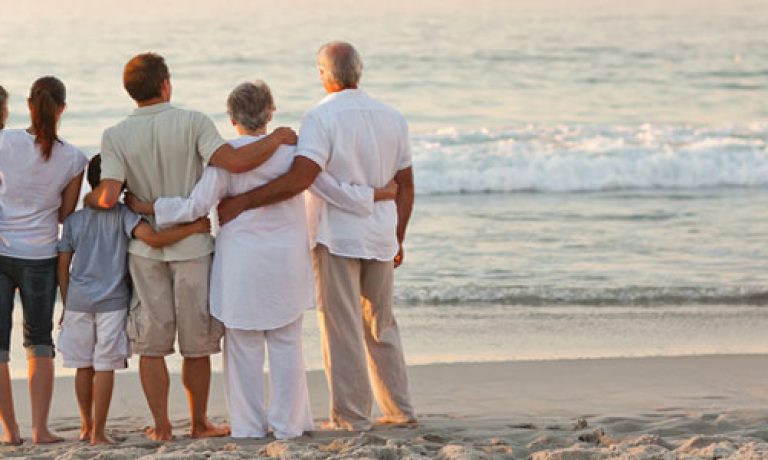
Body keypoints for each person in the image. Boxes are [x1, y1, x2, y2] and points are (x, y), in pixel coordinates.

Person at [126, 80, 397, 438]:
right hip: (285, 261)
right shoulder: (293, 154)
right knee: (287, 346)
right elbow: (330, 190)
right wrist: (377, 194)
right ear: (271, 113)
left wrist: (146, 207)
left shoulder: (224, 160)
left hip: (241, 264)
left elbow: (194, 206)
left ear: (231, 118)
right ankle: (289, 425)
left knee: (243, 349)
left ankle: (249, 426)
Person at [84, 52, 298, 440]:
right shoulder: (194, 121)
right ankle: (199, 423)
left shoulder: (114, 135)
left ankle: (163, 427)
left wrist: (92, 200)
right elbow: (234, 161)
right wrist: (279, 137)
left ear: (130, 91)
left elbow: (110, 195)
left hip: (145, 252)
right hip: (194, 248)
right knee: (196, 343)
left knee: (152, 344)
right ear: (166, 84)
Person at [214, 41, 416, 431]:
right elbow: (406, 185)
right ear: (358, 71)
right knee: (382, 324)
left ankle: (352, 416)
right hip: (380, 234)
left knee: (341, 327)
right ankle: (400, 410)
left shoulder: (320, 118)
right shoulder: (393, 117)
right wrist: (398, 235)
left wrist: (244, 202)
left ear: (324, 74)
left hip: (336, 235)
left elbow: (302, 178)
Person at [57, 155, 212, 445]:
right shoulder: (124, 215)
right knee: (105, 365)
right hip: (112, 303)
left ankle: (86, 426)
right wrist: (193, 228)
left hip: (78, 302)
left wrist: (66, 302)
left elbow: (63, 264)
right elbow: (153, 239)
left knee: (83, 366)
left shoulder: (73, 221)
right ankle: (99, 433)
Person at [0, 76, 88, 444]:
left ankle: (10, 432)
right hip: (41, 255)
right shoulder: (75, 158)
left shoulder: (3, 141)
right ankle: (40, 430)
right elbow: (65, 214)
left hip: (1, 250)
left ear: (29, 105)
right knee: (39, 342)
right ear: (62, 108)